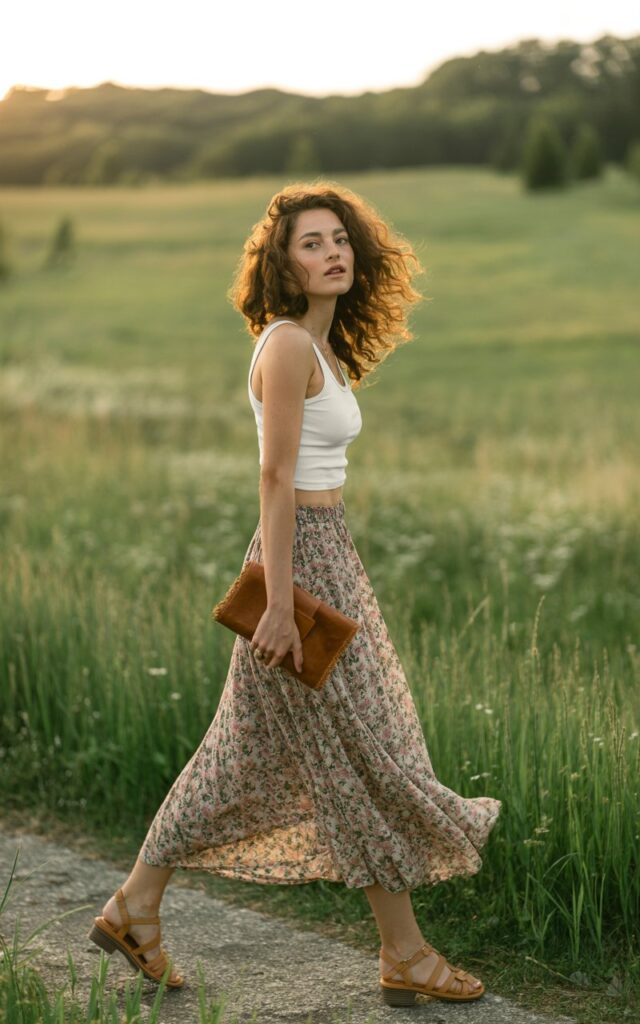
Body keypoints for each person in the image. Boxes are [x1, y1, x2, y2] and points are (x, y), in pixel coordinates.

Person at [88, 181, 501, 1005]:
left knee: (271, 750)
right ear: (282, 262)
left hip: (324, 557)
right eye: (312, 243)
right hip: (296, 569)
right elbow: (275, 476)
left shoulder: (322, 348)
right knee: (363, 752)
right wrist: (279, 602)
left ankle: (136, 905)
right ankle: (406, 954)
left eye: (341, 238)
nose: (333, 252)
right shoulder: (283, 346)